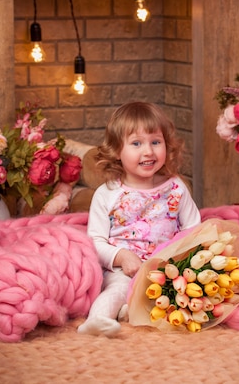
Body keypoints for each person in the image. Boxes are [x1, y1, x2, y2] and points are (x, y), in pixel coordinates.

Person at [77, 101, 201, 337]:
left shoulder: (175, 188)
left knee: (181, 298)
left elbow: (194, 228)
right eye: (136, 143)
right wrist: (122, 257)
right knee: (118, 290)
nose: (148, 151)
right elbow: (95, 240)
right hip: (125, 270)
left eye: (156, 142)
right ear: (117, 151)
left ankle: (129, 312)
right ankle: (97, 320)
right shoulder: (108, 194)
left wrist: (178, 261)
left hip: (167, 269)